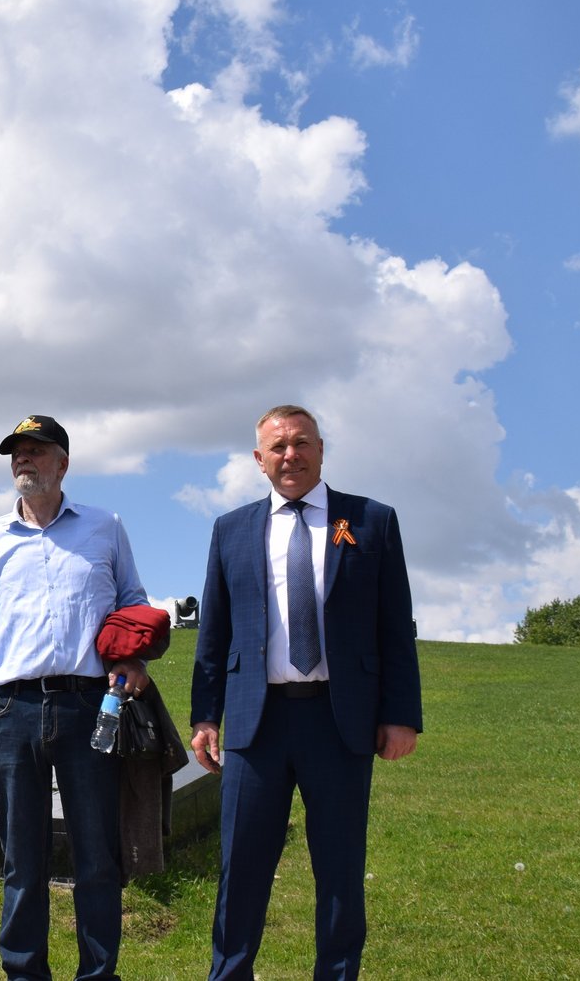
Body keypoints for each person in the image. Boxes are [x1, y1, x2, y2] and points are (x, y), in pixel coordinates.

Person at [189, 405, 423, 980]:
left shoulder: (370, 521)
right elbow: (214, 632)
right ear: (258, 460)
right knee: (240, 869)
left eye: (301, 443)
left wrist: (400, 715)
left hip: (339, 723)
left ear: (321, 449)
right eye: (278, 447)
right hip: (255, 725)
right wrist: (206, 716)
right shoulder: (231, 529)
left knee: (341, 870)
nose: (289, 455)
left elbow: (396, 625)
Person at [0, 415, 151, 981]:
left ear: (63, 463)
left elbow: (133, 602)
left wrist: (132, 657)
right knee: (22, 858)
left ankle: (98, 972)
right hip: (11, 711)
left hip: (91, 708)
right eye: (16, 453)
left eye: (36, 452)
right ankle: (23, 973)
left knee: (96, 856)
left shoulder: (104, 526)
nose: (24, 461)